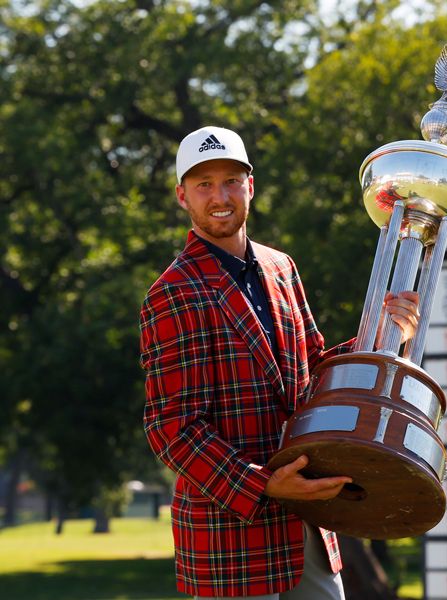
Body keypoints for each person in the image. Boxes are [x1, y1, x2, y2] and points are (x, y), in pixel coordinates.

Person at [139, 126, 420, 599]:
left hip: (308, 526)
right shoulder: (172, 292)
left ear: (251, 185)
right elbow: (172, 429)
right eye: (204, 184)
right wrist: (265, 485)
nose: (220, 196)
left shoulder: (281, 267)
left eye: (231, 180)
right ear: (182, 196)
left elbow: (315, 373)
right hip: (230, 540)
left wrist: (386, 335)